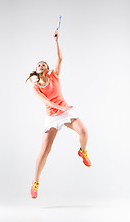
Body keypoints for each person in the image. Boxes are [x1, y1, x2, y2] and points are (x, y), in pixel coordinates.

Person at [26, 30, 91, 199]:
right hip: (53, 117)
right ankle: (35, 181)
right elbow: (47, 102)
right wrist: (60, 108)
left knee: (84, 132)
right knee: (44, 152)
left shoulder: (54, 76)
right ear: (36, 70)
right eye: (39, 65)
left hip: (66, 111)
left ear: (48, 69)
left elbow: (60, 59)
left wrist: (56, 41)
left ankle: (82, 152)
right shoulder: (36, 87)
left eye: (44, 64)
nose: (41, 66)